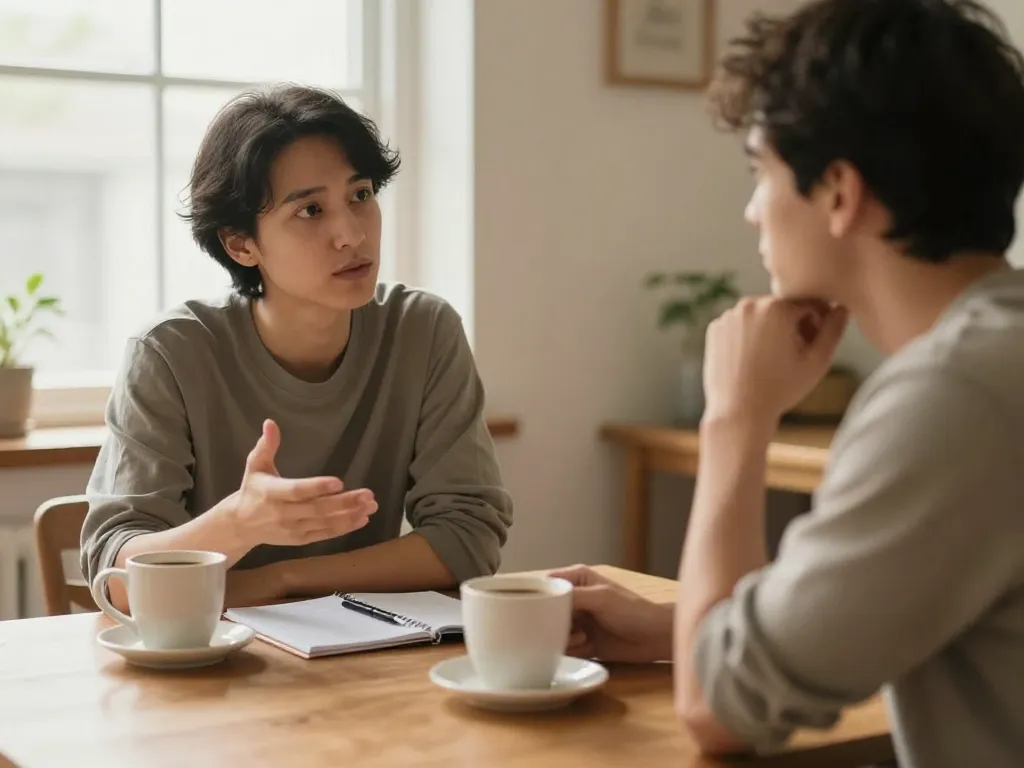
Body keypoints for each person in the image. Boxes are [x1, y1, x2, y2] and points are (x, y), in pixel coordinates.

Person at [554, 1, 1024, 766]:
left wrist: (735, 420)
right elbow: (886, 619)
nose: (750, 212)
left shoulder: (952, 400)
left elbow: (718, 711)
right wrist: (683, 628)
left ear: (839, 191)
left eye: (759, 172)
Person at [81, 84, 513, 609]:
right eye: (310, 210)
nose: (351, 234)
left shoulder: (422, 330)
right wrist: (239, 522)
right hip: (210, 663)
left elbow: (468, 539)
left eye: (361, 195)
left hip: (365, 653)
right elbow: (116, 576)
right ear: (240, 244)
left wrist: (280, 581)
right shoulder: (170, 353)